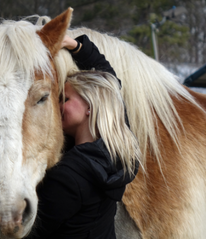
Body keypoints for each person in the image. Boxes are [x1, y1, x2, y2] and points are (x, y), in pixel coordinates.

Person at [27, 34, 141, 239]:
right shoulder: (120, 154)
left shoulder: (67, 177)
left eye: (65, 99)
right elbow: (109, 81)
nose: (57, 106)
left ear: (90, 105)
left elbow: (29, 232)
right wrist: (77, 46)